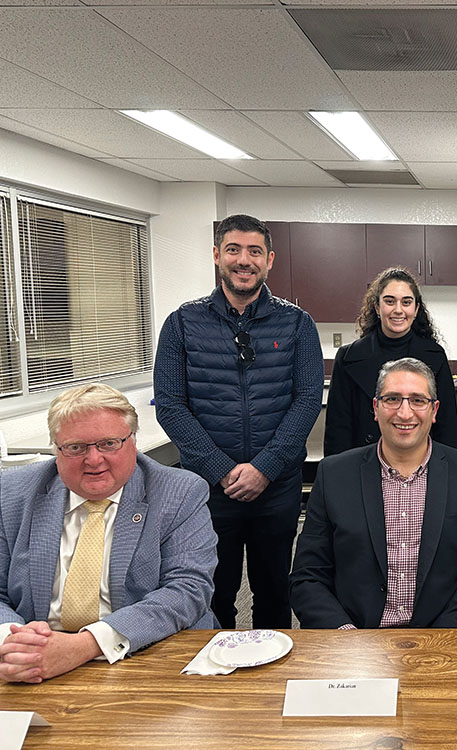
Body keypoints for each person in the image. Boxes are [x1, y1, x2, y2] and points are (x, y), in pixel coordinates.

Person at [153, 213, 323, 630]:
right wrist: (222, 470)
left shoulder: (297, 323)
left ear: (270, 260)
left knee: (273, 594)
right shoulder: (182, 324)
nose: (243, 260)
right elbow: (171, 405)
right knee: (211, 593)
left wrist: (264, 468)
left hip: (277, 486)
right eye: (233, 250)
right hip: (207, 489)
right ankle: (218, 683)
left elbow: (306, 401)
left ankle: (273, 678)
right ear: (216, 256)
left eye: (254, 252)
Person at [0, 384, 217, 683]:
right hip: (35, 660)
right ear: (56, 449)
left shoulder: (179, 492)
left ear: (133, 442)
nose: (94, 460)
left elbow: (188, 590)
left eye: (109, 443)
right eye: (76, 447)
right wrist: (15, 643)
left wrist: (85, 645)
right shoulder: (11, 493)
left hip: (147, 654)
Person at [290, 358, 457, 629]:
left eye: (417, 400)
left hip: (440, 639)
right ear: (375, 408)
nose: (405, 413)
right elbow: (307, 578)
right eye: (392, 399)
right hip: (356, 641)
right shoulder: (334, 474)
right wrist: (347, 636)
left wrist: (438, 639)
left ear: (434, 410)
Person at [324, 266, 457, 456]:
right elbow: (338, 430)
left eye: (406, 302)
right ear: (377, 307)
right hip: (361, 466)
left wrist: (447, 473)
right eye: (389, 301)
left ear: (416, 308)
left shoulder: (435, 357)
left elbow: (446, 427)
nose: (398, 310)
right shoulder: (348, 358)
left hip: (421, 467)